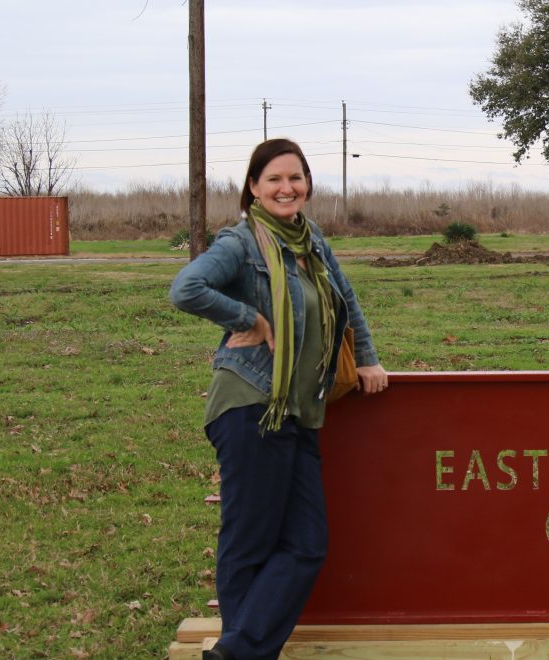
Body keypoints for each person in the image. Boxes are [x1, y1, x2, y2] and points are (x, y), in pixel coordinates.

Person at [170, 138, 388, 660]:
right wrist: (251, 318)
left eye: (295, 178)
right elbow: (186, 288)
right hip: (251, 402)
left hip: (299, 408)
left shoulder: (311, 242)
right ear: (253, 188)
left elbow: (346, 298)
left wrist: (368, 359)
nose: (286, 187)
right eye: (273, 179)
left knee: (307, 543)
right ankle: (241, 651)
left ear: (307, 184)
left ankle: (236, 650)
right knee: (251, 539)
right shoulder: (241, 244)